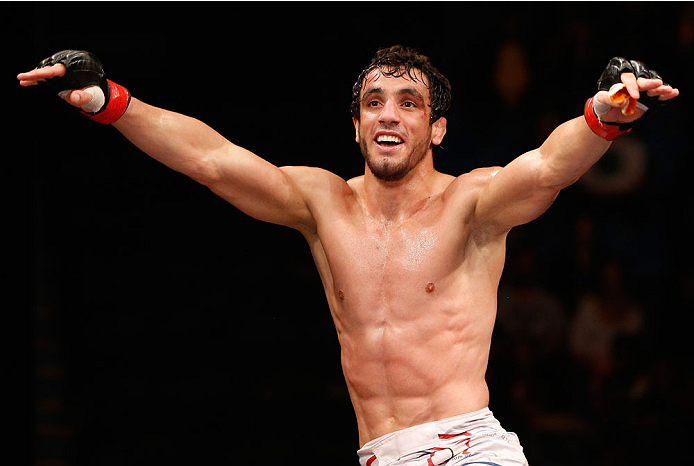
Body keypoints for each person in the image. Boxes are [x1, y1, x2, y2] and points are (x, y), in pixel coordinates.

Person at [19, 46, 679, 465]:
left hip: (465, 450)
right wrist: (112, 103)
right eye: (374, 103)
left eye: (409, 103)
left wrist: (604, 113)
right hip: (378, 453)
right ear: (357, 126)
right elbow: (211, 160)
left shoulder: (473, 204)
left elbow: (545, 169)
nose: (389, 115)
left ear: (437, 128)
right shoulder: (320, 201)